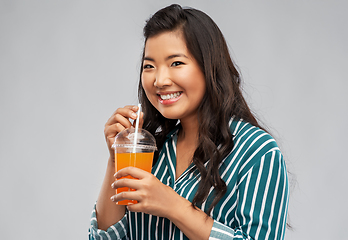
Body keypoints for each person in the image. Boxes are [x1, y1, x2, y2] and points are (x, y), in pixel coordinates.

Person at [89, 4, 289, 240]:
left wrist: (172, 205)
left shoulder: (257, 153)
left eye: (176, 63)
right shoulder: (152, 149)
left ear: (209, 68)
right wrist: (116, 158)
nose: (160, 80)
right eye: (149, 66)